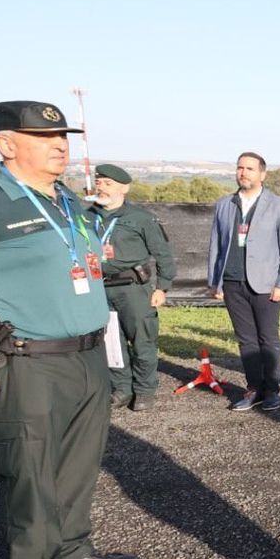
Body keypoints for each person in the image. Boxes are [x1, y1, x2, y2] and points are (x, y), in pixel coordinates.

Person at [0, 101, 138, 559]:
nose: (59, 145)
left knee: (78, 461)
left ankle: (73, 549)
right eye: (43, 137)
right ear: (6, 144)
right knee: (29, 464)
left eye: (62, 137)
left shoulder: (67, 200)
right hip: (24, 359)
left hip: (86, 353)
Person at [206, 152, 280, 412]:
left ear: (262, 174)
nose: (243, 172)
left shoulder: (279, 206)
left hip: (266, 284)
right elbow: (216, 244)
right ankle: (253, 388)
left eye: (249, 168)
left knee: (268, 339)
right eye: (240, 168)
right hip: (233, 281)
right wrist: (215, 280)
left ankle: (271, 390)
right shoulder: (225, 204)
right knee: (246, 339)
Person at [89, 163, 176, 411]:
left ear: (124, 188)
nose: (102, 188)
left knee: (142, 341)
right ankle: (121, 390)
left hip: (134, 289)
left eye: (108, 184)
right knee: (111, 343)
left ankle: (145, 390)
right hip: (101, 289)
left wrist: (163, 287)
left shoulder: (140, 218)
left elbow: (163, 255)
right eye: (99, 182)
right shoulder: (89, 216)